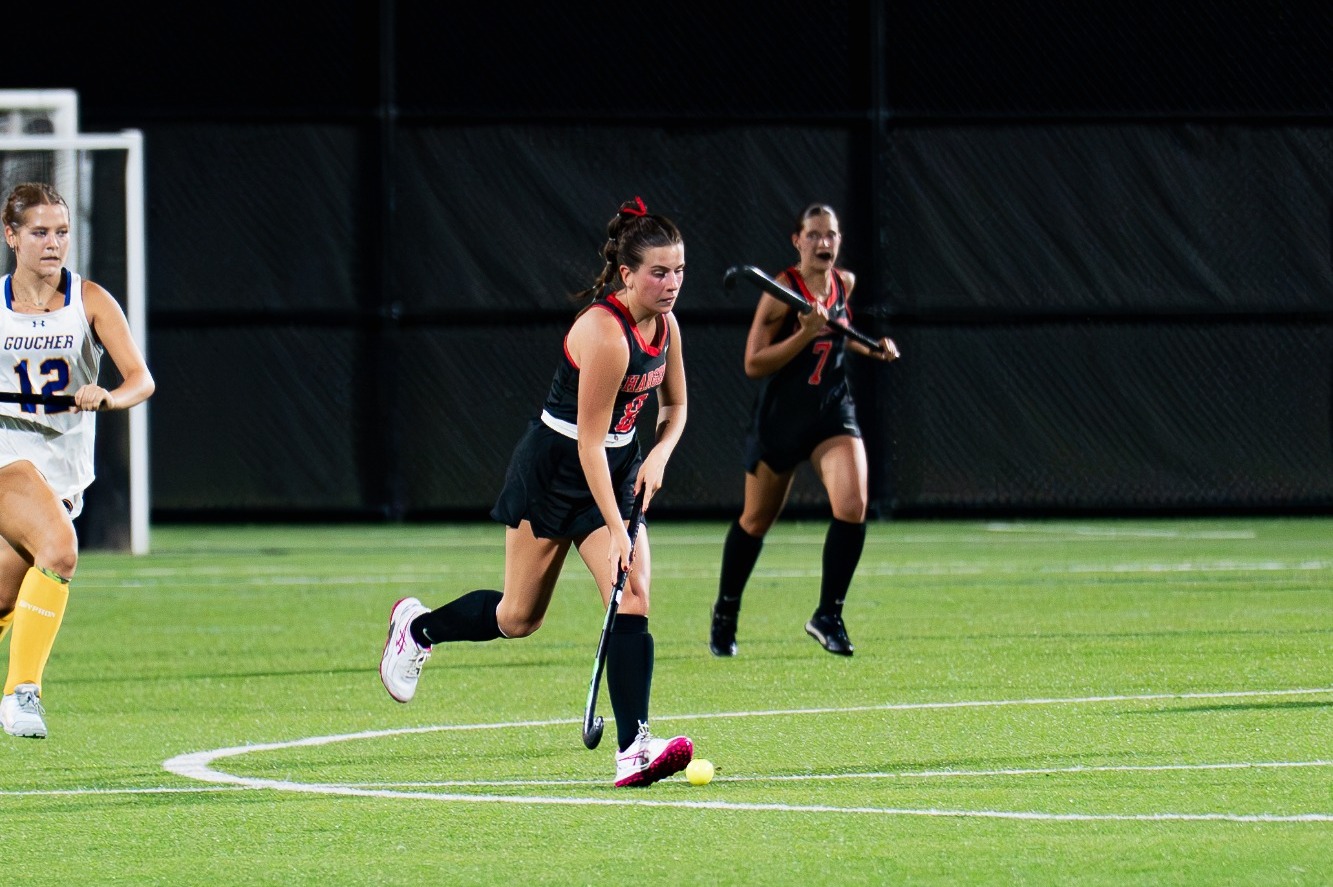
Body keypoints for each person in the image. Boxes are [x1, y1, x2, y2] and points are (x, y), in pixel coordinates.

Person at [379, 197, 693, 787]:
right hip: (559, 465)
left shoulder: (667, 326)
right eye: (659, 271)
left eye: (678, 270)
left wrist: (658, 454)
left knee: (633, 597)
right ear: (627, 274)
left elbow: (675, 407)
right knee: (518, 617)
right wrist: (620, 528)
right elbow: (587, 446)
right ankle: (418, 629)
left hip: (617, 463)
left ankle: (633, 749)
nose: (671, 283)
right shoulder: (604, 334)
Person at [0, 182, 155, 738]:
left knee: (4, 597)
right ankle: (22, 695)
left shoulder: (89, 300)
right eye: (39, 232)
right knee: (61, 550)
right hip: (5, 456)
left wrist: (108, 395)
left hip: (62, 467)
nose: (52, 244)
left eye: (61, 232)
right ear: (11, 235)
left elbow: (142, 380)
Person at [709, 203, 899, 658]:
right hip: (782, 419)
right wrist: (803, 334)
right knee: (755, 522)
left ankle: (828, 614)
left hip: (833, 412)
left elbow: (842, 329)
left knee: (853, 505)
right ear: (797, 241)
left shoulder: (844, 283)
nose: (823, 243)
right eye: (813, 235)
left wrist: (873, 349)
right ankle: (726, 611)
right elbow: (753, 363)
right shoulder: (779, 292)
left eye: (830, 235)